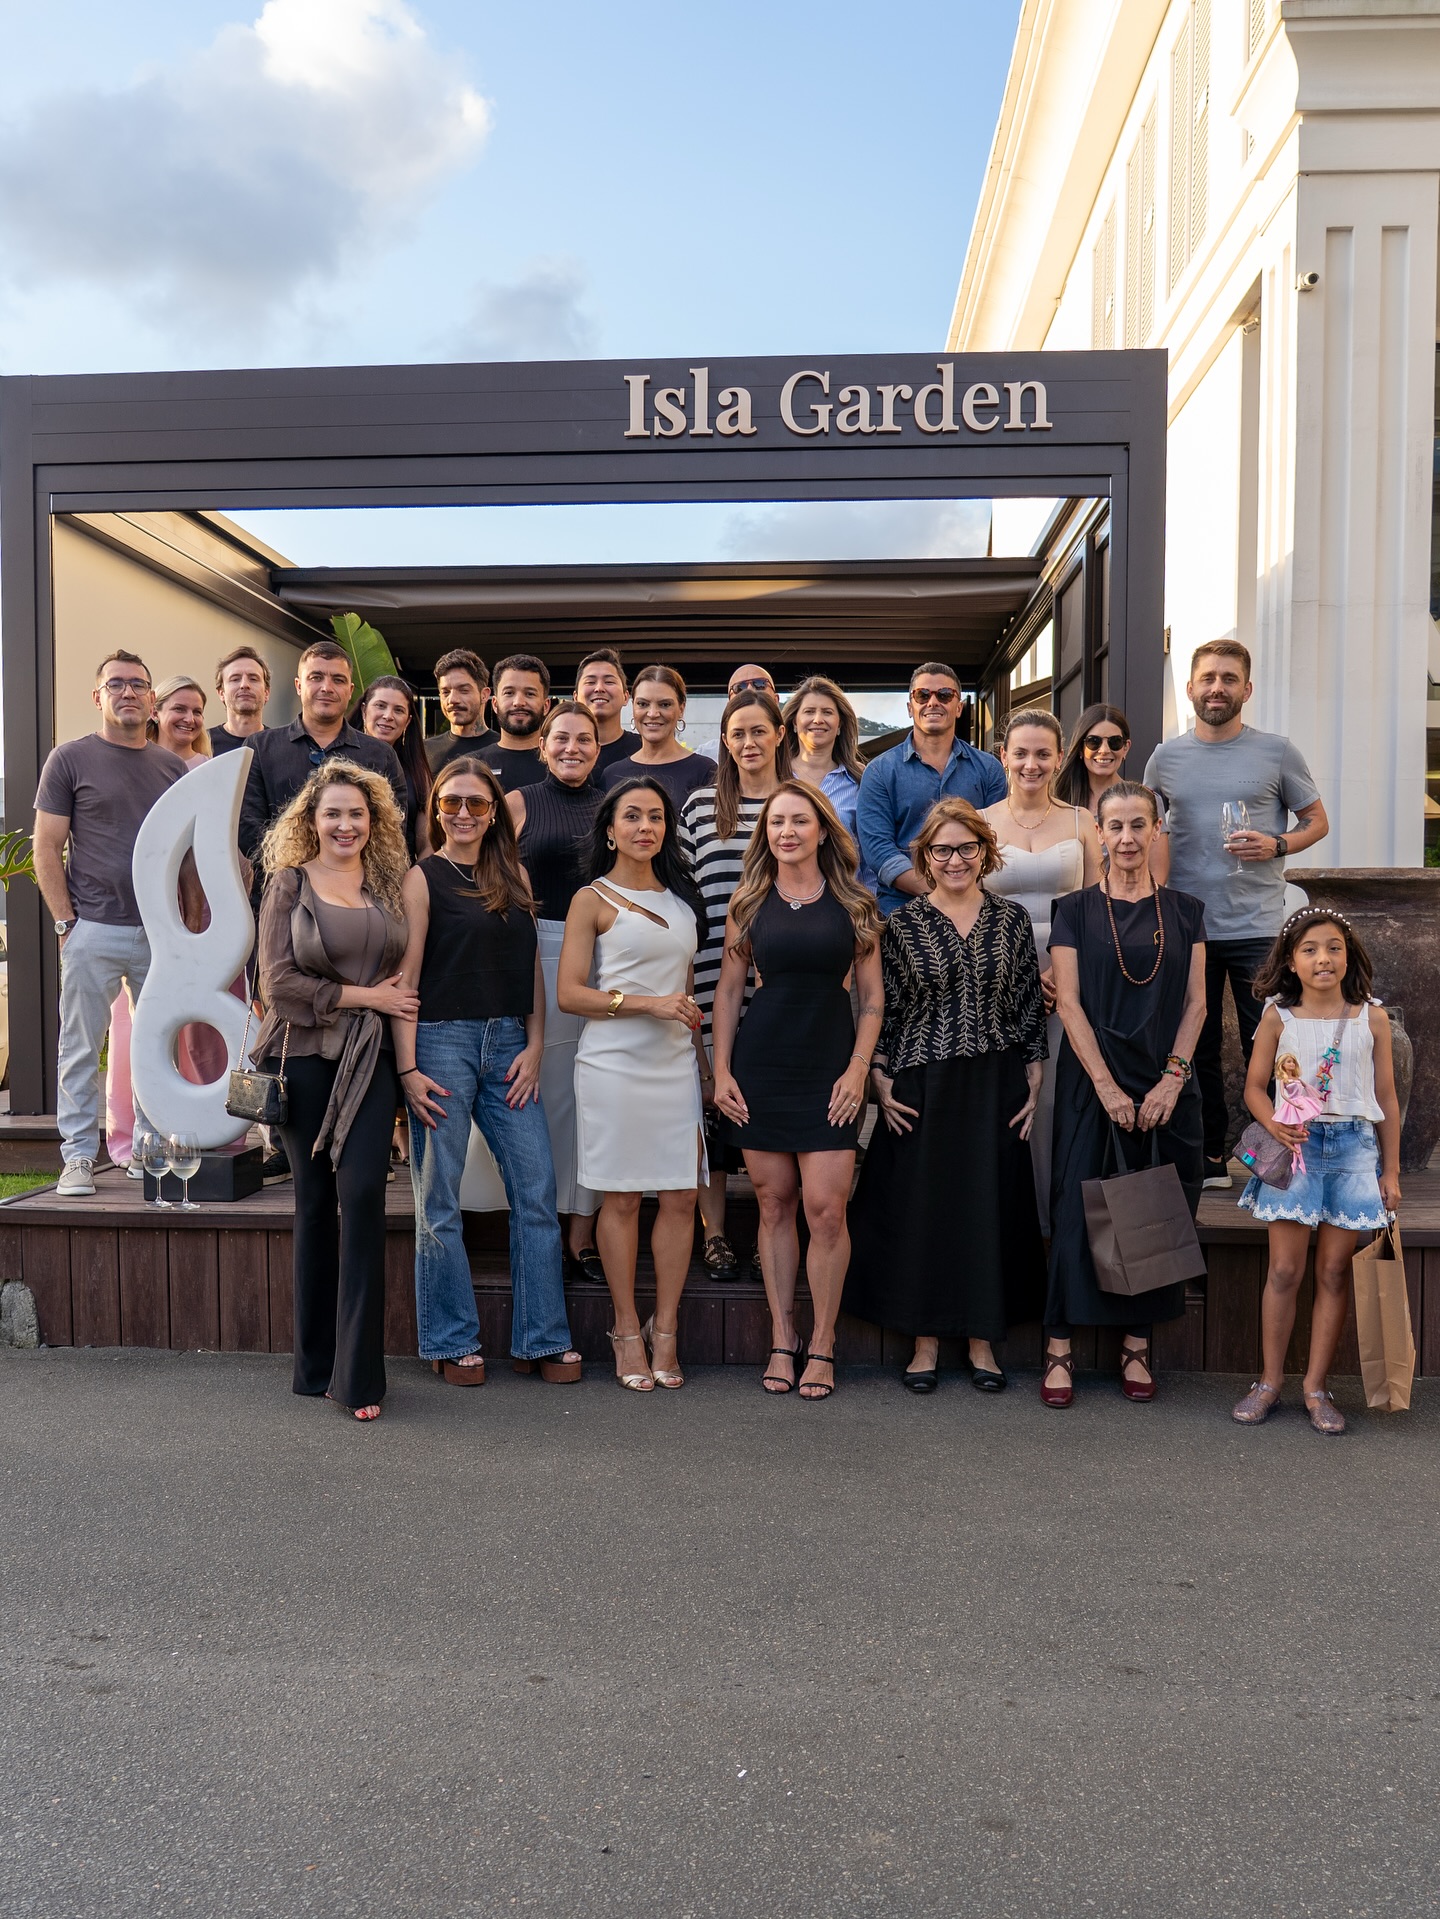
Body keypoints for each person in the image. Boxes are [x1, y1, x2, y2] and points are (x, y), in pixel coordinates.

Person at [845, 799, 1047, 1393]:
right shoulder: (901, 924)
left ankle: (983, 1339)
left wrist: (1035, 1068)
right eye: (942, 850)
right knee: (923, 1209)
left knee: (987, 1205)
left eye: (966, 848)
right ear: (925, 858)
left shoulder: (1011, 920)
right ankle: (924, 1341)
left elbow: (1026, 1002)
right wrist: (879, 1074)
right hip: (921, 1081)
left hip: (995, 1079)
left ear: (985, 852)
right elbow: (887, 1006)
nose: (955, 860)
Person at [395, 756, 581, 1388]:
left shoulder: (514, 873)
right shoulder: (422, 877)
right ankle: (450, 1341)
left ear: (496, 812)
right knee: (439, 1198)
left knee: (536, 1192)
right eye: (451, 802)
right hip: (440, 1043)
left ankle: (542, 1339)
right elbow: (406, 981)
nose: (464, 813)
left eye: (477, 803)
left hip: (509, 1046)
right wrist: (407, 1068)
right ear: (436, 810)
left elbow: (530, 970)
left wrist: (536, 1045)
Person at [255, 762, 416, 1422]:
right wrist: (365, 996)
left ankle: (358, 1376)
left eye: (356, 813)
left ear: (373, 821)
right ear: (311, 821)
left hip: (369, 1059)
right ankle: (314, 1365)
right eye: (333, 814)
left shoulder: (387, 885)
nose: (345, 825)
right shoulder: (289, 883)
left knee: (364, 1196)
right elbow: (277, 981)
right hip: (302, 1057)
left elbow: (405, 973)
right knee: (317, 1204)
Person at [712, 782, 883, 1401]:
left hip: (831, 1066)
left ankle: (824, 1342)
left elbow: (872, 998)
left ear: (822, 830)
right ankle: (783, 1337)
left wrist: (858, 1069)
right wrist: (721, 1071)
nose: (787, 831)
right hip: (762, 1065)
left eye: (799, 821)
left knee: (827, 1210)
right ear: (766, 834)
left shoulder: (855, 903)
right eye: (776, 822)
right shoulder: (748, 901)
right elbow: (729, 990)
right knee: (773, 1203)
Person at [1042, 781, 1207, 1408]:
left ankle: (1136, 1345)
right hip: (1093, 1081)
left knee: (1154, 1208)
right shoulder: (1073, 909)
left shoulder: (1186, 911)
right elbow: (1069, 1005)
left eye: (1140, 825)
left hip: (1166, 1079)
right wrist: (1107, 1087)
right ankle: (1058, 1347)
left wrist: (1173, 1077)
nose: (1128, 838)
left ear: (1156, 830)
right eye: (1115, 826)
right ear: (1099, 834)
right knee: (1075, 1207)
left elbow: (1196, 1004)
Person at [1143, 639, 1328, 1190]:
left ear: (1247, 689)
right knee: (1194, 1047)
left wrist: (1278, 844)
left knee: (1267, 1047)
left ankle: (1267, 1160)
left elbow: (1317, 821)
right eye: (1208, 678)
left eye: (1228, 679)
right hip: (1188, 926)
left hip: (1258, 928)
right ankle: (1205, 1160)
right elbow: (1148, 831)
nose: (1217, 688)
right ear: (1190, 688)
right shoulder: (1164, 758)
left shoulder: (1277, 752)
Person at [558, 779, 710, 1392]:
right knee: (620, 1199)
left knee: (681, 1198)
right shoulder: (591, 899)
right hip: (614, 1065)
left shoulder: (683, 903)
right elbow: (570, 994)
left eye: (656, 816)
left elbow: (687, 998)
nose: (645, 826)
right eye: (632, 816)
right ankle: (625, 1329)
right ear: (610, 830)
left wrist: (703, 1065)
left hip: (676, 1065)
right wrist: (648, 1004)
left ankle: (664, 1328)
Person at [1232, 910, 1401, 1435]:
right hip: (1297, 1148)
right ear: (1291, 961)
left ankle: (1316, 1387)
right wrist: (1275, 1125)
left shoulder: (1371, 1018)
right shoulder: (1277, 1017)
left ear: (1348, 957)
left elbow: (1387, 1099)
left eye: (1333, 948)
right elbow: (1254, 1087)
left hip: (1354, 1151)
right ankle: (1268, 1382)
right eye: (1309, 949)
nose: (1322, 958)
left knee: (1332, 1272)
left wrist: (1391, 1173)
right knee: (1285, 1270)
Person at [33, 650, 191, 1196]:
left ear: (152, 700)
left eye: (138, 684)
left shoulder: (170, 767)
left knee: (157, 1047)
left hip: (160, 933)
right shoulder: (69, 759)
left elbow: (184, 855)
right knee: (80, 1048)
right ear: (97, 696)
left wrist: (186, 927)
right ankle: (78, 1157)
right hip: (91, 928)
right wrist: (66, 924)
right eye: (116, 684)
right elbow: (46, 847)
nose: (128, 692)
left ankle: (147, 1149)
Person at [679, 689, 793, 1278]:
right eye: (737, 733)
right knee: (710, 1102)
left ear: (779, 734)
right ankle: (715, 1233)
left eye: (758, 731)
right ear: (724, 741)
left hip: (784, 979)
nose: (749, 743)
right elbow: (682, 892)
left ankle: (777, 1228)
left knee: (772, 1099)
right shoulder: (701, 807)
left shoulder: (800, 803)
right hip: (709, 972)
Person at [982, 708, 1101, 1232]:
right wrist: (1018, 974)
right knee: (1005, 1094)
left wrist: (1061, 972)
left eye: (1042, 754)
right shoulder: (980, 821)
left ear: (1059, 758)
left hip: (1069, 973)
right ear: (1003, 756)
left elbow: (1097, 905)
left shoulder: (1081, 822)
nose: (1031, 764)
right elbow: (966, 906)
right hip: (996, 976)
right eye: (1021, 753)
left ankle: (1058, 1227)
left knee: (1055, 1096)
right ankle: (1008, 1223)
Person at [507, 702, 607, 1279]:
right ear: (543, 746)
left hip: (605, 953)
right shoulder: (516, 803)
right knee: (547, 1093)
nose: (572, 748)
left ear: (598, 747)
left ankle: (583, 1233)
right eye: (561, 738)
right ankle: (541, 1227)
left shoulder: (612, 805)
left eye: (584, 739)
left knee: (593, 1094)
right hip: (540, 949)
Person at [238, 641, 406, 878]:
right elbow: (247, 827)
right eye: (316, 677)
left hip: (359, 890)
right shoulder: (260, 748)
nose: (327, 687)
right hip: (281, 887)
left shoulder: (380, 755)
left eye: (338, 680)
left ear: (350, 690)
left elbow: (393, 829)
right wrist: (300, 870)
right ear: (299, 685)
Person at [857, 661, 1006, 918]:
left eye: (944, 695)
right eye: (922, 695)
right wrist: (939, 894)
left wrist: (958, 893)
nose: (933, 702)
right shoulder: (880, 771)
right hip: (900, 911)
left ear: (958, 707)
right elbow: (878, 849)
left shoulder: (989, 769)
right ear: (910, 707)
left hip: (974, 910)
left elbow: (996, 840)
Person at [782, 674, 878, 893]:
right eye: (809, 712)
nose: (818, 719)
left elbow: (869, 857)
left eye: (827, 712)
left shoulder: (860, 780)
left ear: (840, 724)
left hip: (846, 903)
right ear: (794, 723)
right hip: (784, 902)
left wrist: (871, 905)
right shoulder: (776, 776)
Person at [602, 664, 718, 808]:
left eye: (664, 704)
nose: (653, 713)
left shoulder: (705, 771)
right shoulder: (611, 774)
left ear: (681, 709)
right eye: (643, 704)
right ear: (633, 707)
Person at [359, 674, 432, 859]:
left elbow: (427, 844)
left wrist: (415, 875)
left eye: (398, 710)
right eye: (380, 706)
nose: (388, 716)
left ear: (407, 721)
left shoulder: (418, 773)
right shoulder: (341, 761)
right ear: (364, 711)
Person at [477, 654, 552, 792]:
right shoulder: (474, 766)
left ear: (546, 705)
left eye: (530, 694)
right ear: (495, 704)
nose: (518, 702)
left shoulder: (561, 764)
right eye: (509, 693)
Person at [424, 649, 497, 775]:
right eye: (445, 692)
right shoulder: (424, 752)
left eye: (463, 690)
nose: (452, 699)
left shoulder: (503, 747)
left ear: (484, 695)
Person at [1054, 704, 1133, 813]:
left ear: (1126, 748)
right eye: (1093, 741)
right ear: (1080, 748)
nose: (1104, 750)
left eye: (1114, 741)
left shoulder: (1144, 799)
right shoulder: (1057, 800)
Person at [575, 647, 641, 775]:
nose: (599, 688)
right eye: (590, 682)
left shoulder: (644, 748)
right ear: (575, 698)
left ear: (626, 697)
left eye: (609, 682)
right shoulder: (562, 752)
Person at [209, 646, 271, 754]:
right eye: (235, 679)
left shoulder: (281, 745)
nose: (244, 685)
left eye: (253, 679)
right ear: (221, 693)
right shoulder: (203, 745)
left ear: (266, 693)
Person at [149, 676, 212, 761]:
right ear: (154, 713)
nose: (190, 719)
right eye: (179, 709)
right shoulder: (137, 763)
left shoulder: (213, 766)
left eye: (197, 712)